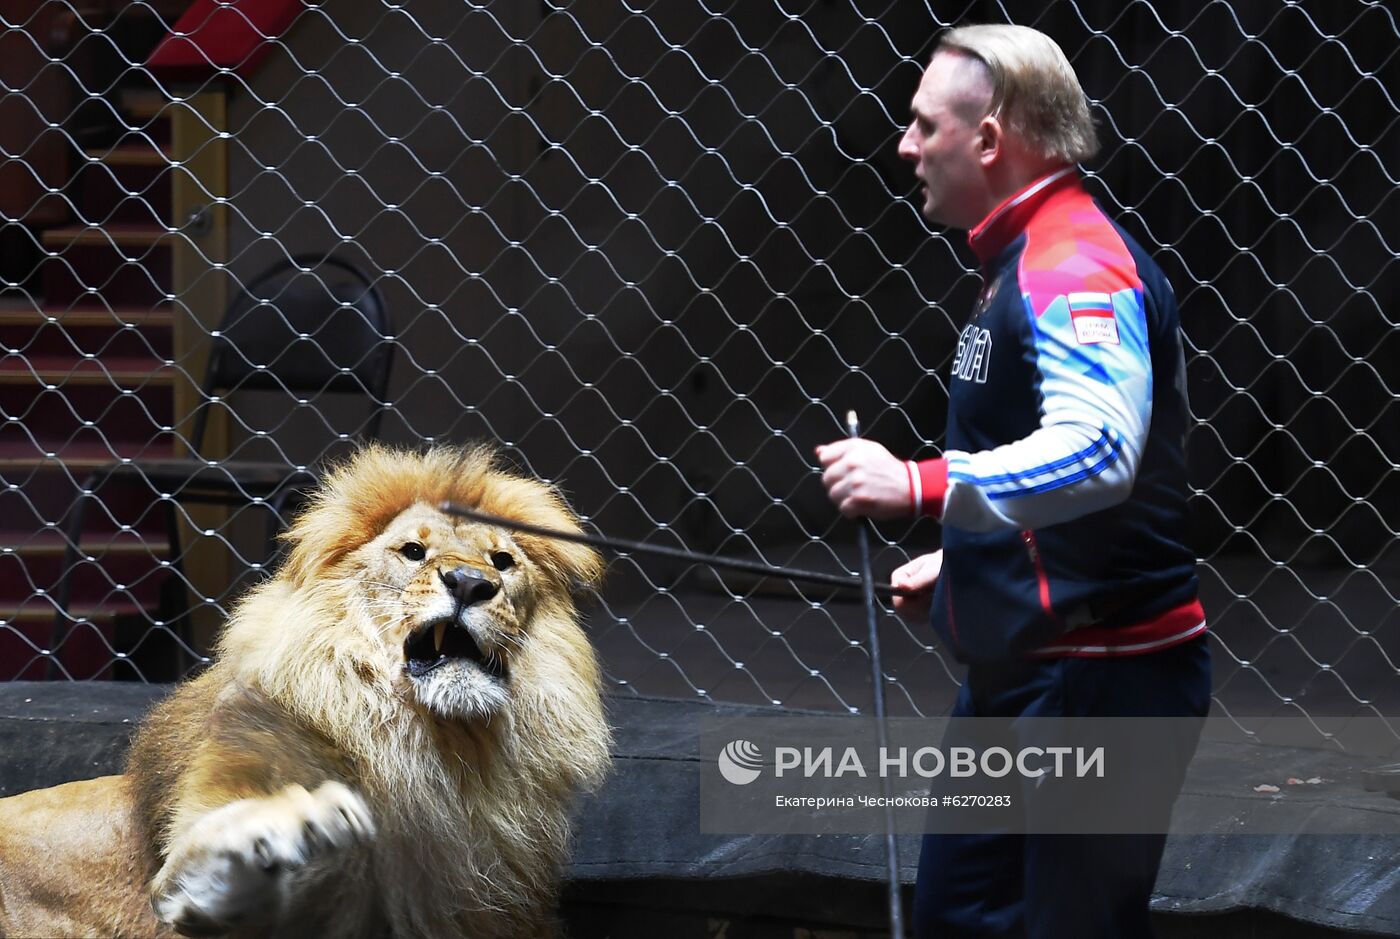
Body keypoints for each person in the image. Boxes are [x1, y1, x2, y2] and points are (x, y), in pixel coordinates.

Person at [815, 24, 1210, 939]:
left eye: (923, 126)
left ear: (988, 140)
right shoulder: (1018, 256)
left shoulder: (1074, 264)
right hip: (1029, 671)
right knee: (959, 917)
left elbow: (1100, 452)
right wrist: (968, 564)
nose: (905, 146)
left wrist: (917, 485)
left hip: (1099, 684)